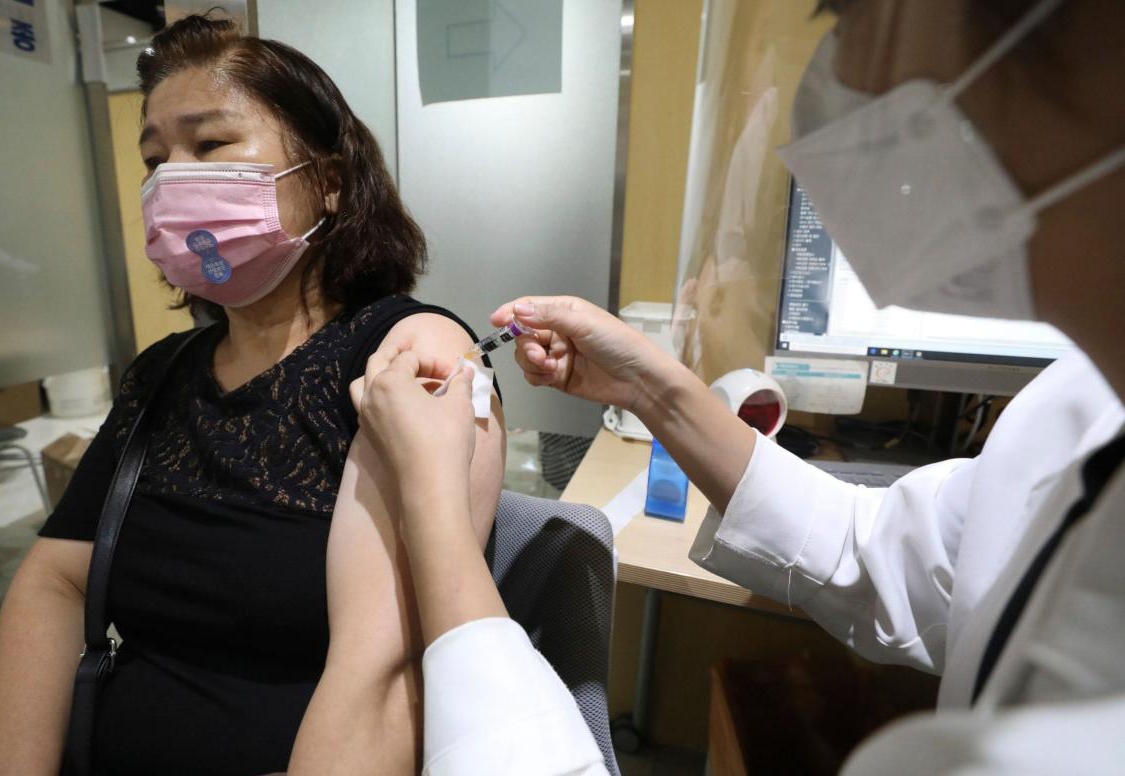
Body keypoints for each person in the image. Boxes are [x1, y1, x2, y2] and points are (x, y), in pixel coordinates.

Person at [354, 0, 1125, 772]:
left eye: (850, 12)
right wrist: (652, 389)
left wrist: (430, 501)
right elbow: (883, 551)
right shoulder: (1074, 410)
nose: (840, 71)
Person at [0, 15, 505, 776]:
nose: (170, 180)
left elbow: (383, 673)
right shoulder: (161, 374)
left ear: (326, 183)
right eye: (155, 160)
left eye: (210, 145)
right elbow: (54, 581)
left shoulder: (404, 359)